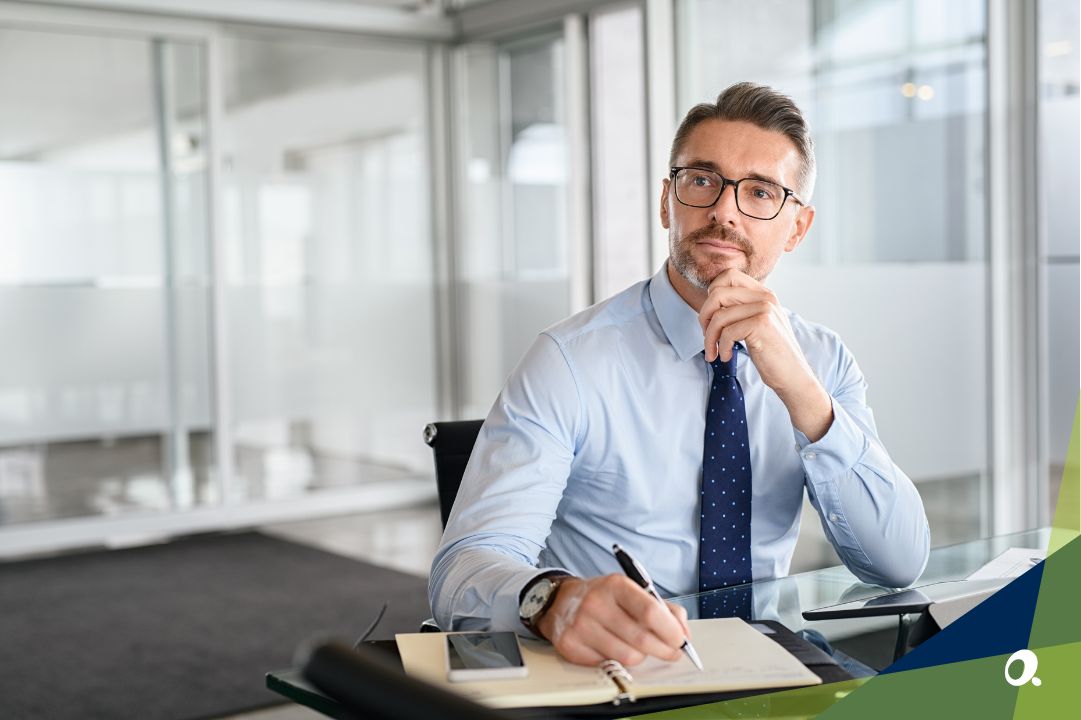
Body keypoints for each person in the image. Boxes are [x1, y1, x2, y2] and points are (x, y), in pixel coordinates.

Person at [428, 82, 929, 668]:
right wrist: (554, 600)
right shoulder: (569, 360)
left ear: (797, 227)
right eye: (702, 181)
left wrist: (800, 390)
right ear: (668, 201)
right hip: (624, 673)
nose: (724, 210)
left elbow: (897, 563)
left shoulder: (822, 359)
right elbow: (464, 567)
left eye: (761, 192)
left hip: (774, 661)